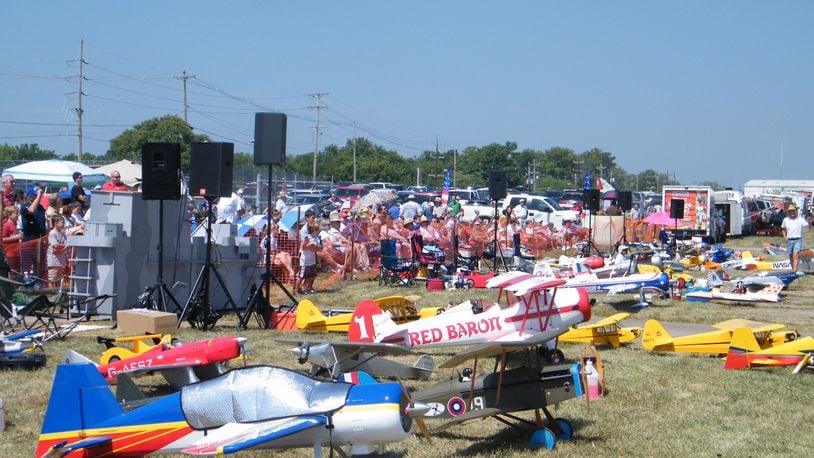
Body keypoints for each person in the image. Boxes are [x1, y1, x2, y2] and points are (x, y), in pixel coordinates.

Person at [294, 222, 322, 295]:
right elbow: (303, 247)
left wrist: (315, 247)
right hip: (305, 260)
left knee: (312, 275)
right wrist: (311, 247)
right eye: (317, 230)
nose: (318, 231)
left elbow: (319, 247)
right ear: (313, 230)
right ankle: (296, 290)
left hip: (312, 260)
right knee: (301, 276)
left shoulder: (316, 238)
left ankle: (307, 287)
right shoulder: (307, 237)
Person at [781, 204, 809, 273]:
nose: (792, 213)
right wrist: (784, 236)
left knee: (795, 255)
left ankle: (794, 271)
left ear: (796, 211)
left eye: (793, 211)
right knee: (790, 255)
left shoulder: (800, 219)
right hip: (789, 240)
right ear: (788, 212)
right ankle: (793, 268)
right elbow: (783, 228)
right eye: (790, 211)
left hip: (797, 239)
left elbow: (807, 225)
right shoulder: (786, 220)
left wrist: (810, 221)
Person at [46, 216, 69, 284]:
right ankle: (51, 293)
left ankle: (58, 292)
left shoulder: (63, 233)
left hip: (61, 259)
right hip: (53, 259)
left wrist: (63, 247)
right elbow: (55, 245)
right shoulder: (52, 233)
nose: (64, 223)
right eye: (62, 222)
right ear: (55, 223)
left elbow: (66, 244)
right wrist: (64, 246)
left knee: (60, 277)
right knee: (52, 277)